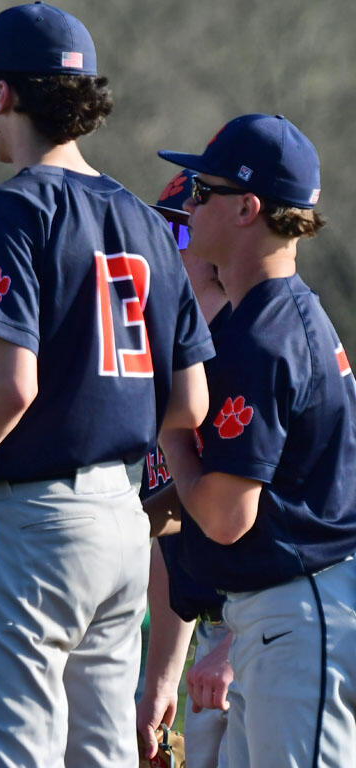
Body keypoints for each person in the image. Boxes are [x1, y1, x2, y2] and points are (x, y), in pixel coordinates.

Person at [0, 4, 216, 765]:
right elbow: (190, 403)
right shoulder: (147, 220)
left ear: (4, 93)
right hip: (123, 525)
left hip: (32, 526)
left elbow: (9, 388)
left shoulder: (9, 211)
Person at [158, 113, 356, 768]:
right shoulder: (275, 315)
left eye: (201, 193)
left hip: (300, 612)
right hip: (283, 613)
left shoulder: (264, 335)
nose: (188, 204)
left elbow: (222, 515)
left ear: (247, 208)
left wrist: (173, 430)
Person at [136, 170, 233, 768]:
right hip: (218, 638)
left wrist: (239, 648)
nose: (160, 250)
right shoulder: (177, 365)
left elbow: (322, 530)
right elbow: (175, 543)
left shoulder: (252, 352)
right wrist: (161, 682)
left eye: (174, 232)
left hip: (275, 637)